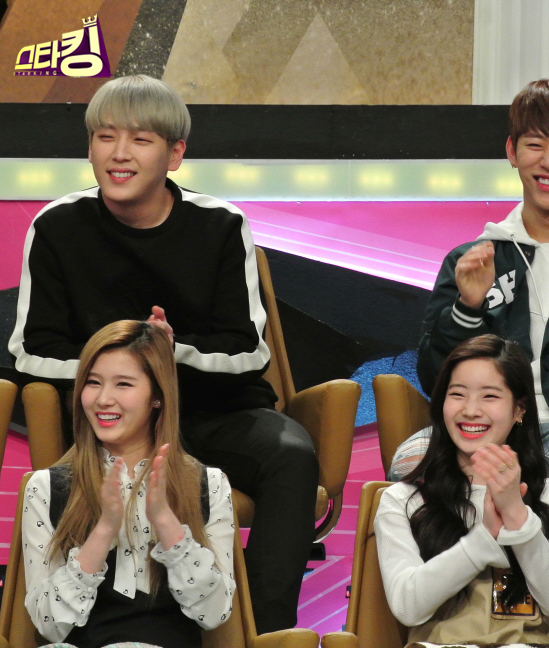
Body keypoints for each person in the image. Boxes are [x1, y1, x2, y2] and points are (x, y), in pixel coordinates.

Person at [9, 74, 318, 633]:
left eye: (140, 140)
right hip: (108, 426)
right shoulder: (56, 226)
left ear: (175, 154)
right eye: (105, 137)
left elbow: (249, 352)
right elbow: (31, 352)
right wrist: (122, 367)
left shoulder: (220, 225)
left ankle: (265, 634)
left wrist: (173, 355)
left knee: (290, 454)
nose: (119, 154)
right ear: (89, 147)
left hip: (210, 413)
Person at [389, 77, 549, 642]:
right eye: (534, 144)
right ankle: (448, 628)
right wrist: (467, 307)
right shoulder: (473, 257)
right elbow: (436, 378)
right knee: (411, 455)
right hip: (487, 429)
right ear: (511, 152)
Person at [22, 320, 235, 648]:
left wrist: (165, 520)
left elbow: (215, 612)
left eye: (123, 384)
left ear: (157, 396)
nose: (103, 399)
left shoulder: (210, 484)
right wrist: (104, 529)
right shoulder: (45, 487)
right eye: (93, 383)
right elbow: (49, 624)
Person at [375, 334, 549, 645]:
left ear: (520, 409)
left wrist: (516, 515)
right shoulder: (404, 500)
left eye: (489, 396)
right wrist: (483, 538)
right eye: (457, 394)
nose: (470, 410)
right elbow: (408, 606)